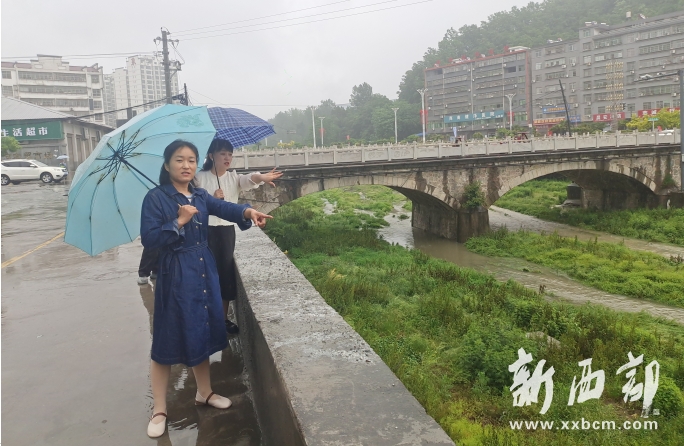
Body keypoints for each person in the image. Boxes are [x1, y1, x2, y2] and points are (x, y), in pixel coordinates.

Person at [140, 139, 271, 438]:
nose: (186, 165)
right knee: (165, 341)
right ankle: (159, 409)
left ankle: (205, 392)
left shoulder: (199, 195)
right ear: (167, 165)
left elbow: (223, 207)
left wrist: (248, 213)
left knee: (200, 331)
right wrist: (179, 221)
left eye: (191, 160)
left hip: (203, 269)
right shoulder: (156, 198)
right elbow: (150, 239)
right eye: (179, 160)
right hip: (174, 274)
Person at [195, 139, 282, 333]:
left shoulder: (233, 178)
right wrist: (212, 199)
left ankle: (222, 319)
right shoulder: (199, 179)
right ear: (211, 156)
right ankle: (204, 320)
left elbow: (250, 179)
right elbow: (193, 205)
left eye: (230, 154)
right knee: (205, 276)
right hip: (204, 231)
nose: (227, 158)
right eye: (223, 154)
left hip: (226, 232)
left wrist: (262, 177)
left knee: (225, 275)